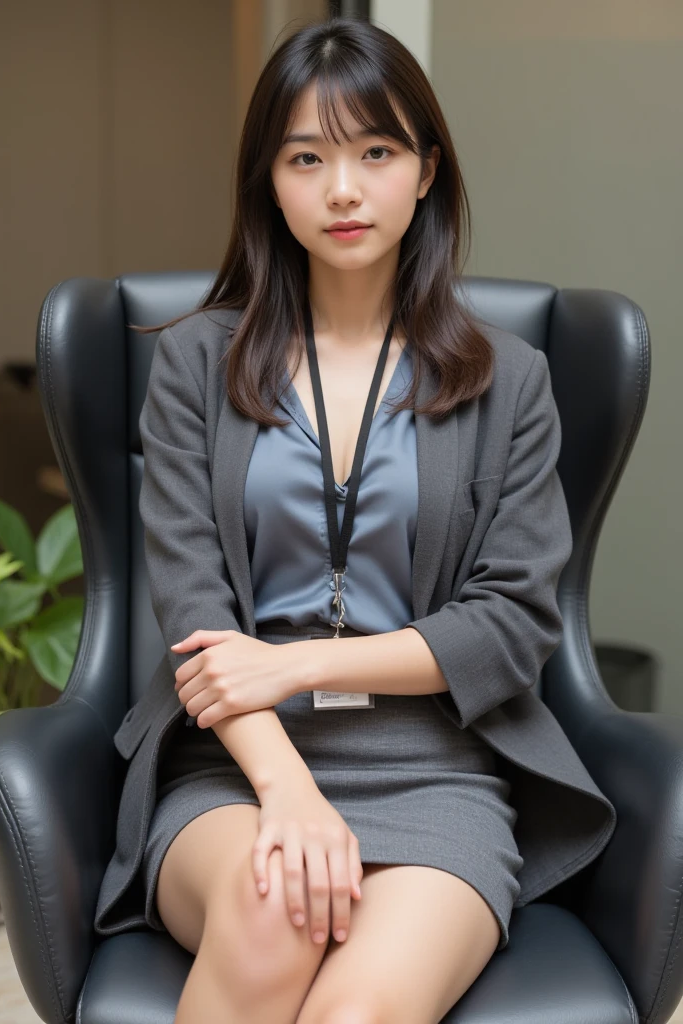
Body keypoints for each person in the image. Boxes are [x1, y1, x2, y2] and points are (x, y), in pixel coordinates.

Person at [94, 14, 617, 1023]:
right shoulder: (194, 366)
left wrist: (300, 662)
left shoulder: (511, 381)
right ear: (269, 180)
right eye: (306, 157)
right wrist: (287, 789)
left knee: (359, 1013)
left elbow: (509, 624)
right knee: (270, 913)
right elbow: (197, 615)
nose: (342, 188)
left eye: (375, 151)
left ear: (424, 171)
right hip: (237, 763)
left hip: (439, 767)